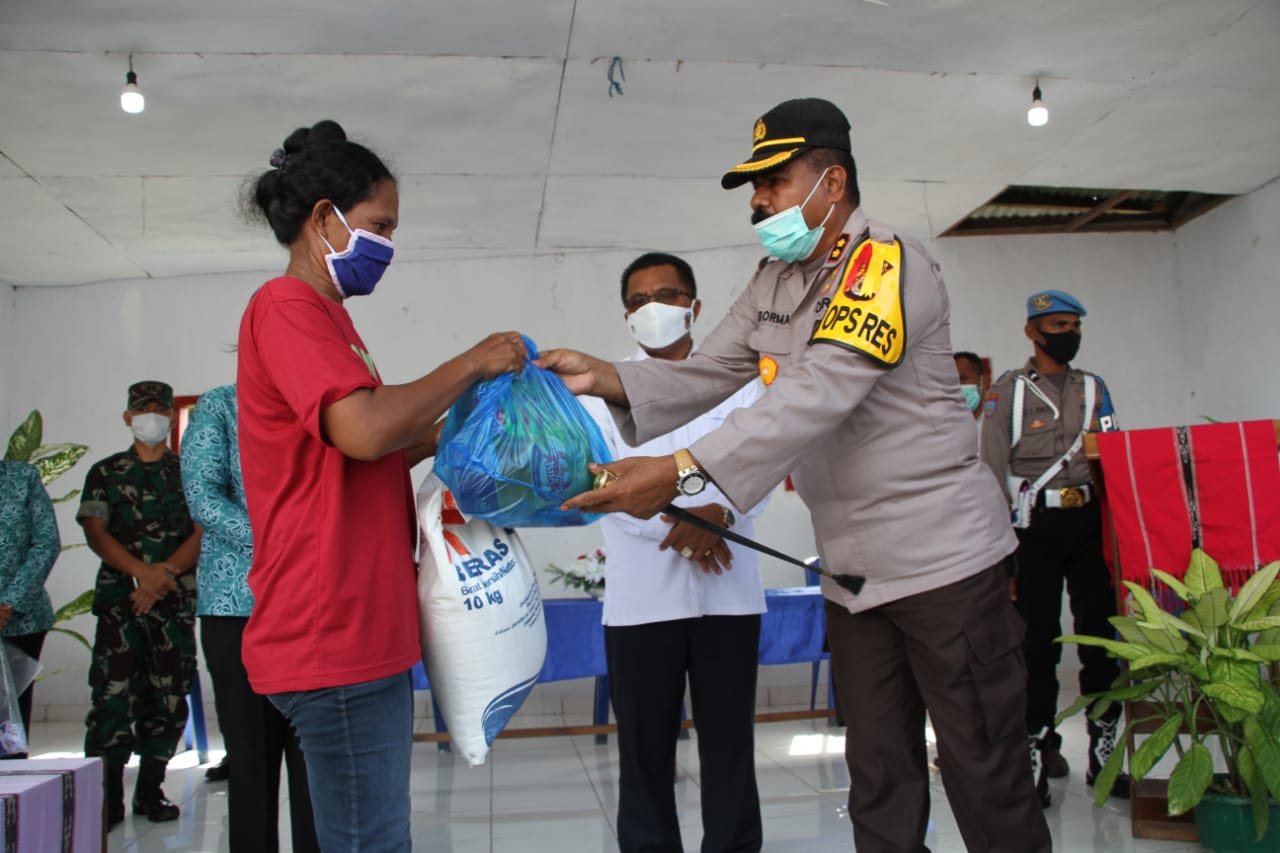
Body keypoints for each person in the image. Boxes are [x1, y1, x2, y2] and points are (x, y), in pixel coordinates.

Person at [539, 98, 1050, 853]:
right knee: (879, 779)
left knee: (984, 773)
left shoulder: (885, 264)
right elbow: (710, 370)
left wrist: (678, 472)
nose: (759, 200)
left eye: (774, 181)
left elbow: (821, 390)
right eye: (757, 185)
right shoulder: (776, 281)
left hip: (942, 565)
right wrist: (606, 377)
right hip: (852, 578)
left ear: (831, 182)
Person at [236, 119, 526, 852]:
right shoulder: (287, 306)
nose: (389, 244)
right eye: (379, 225)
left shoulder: (329, 318)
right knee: (372, 842)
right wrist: (471, 362)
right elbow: (364, 431)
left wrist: (462, 426)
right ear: (323, 218)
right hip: (332, 629)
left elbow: (362, 454)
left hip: (356, 623)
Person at [581, 252, 769, 853]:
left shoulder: (745, 383)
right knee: (644, 750)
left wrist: (725, 516)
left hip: (729, 598)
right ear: (626, 315)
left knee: (730, 744)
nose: (652, 308)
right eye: (638, 301)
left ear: (695, 307)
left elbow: (768, 461)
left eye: (666, 295)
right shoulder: (601, 393)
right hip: (642, 604)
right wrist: (693, 524)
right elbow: (600, 482)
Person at [979, 290, 1126, 807]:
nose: (1070, 334)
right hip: (1033, 528)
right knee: (1035, 643)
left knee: (1101, 640)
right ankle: (1037, 752)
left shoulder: (1094, 388)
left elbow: (1114, 456)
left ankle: (1106, 755)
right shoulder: (1007, 393)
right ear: (1032, 331)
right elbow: (989, 474)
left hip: (1089, 524)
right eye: (1059, 325)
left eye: (1075, 325)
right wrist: (1002, 555)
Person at [181, 384, 319, 853]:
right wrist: (283, 542)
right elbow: (204, 497)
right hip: (238, 605)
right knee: (251, 760)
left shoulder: (323, 402)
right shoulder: (221, 406)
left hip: (315, 603)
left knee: (316, 762)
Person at [76, 380, 201, 827]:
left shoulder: (188, 472)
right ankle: (107, 799)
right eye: (143, 409)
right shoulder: (106, 472)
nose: (152, 416)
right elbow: (96, 531)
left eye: (160, 409)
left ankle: (151, 791)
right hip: (121, 603)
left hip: (172, 602)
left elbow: (202, 530)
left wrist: (162, 575)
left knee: (167, 695)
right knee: (113, 696)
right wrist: (141, 573)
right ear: (128, 418)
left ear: (170, 416)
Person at [0, 458, 61, 755]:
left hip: (21, 621)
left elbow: (46, 543)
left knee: (10, 724)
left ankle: (12, 778)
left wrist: (9, 602)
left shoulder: (23, 477)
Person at [954, 351, 988, 420]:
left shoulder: (998, 419)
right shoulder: (943, 422)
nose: (958, 385)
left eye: (963, 378)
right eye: (953, 381)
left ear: (983, 381)